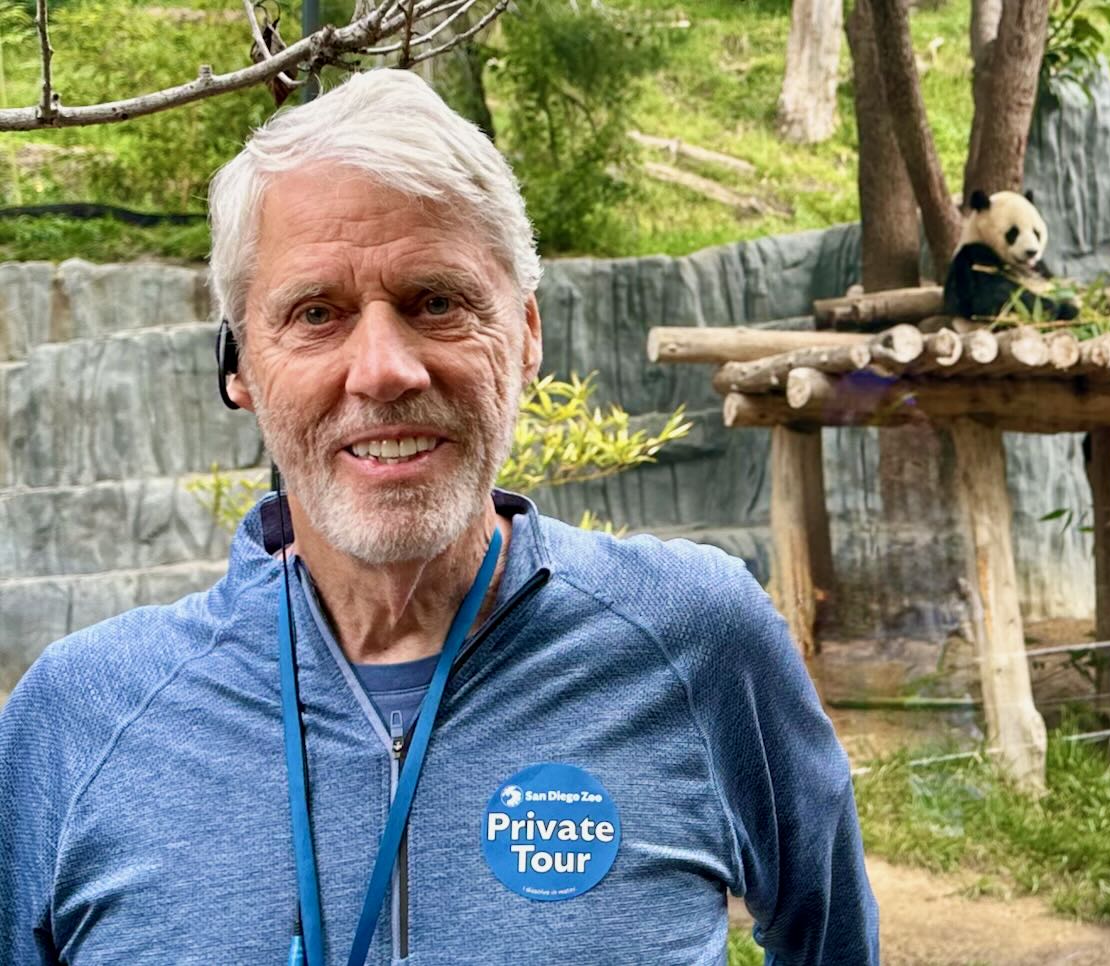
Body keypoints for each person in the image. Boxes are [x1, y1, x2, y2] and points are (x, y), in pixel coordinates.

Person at [0, 69, 878, 964]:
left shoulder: (698, 644)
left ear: (527, 333)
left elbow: (831, 938)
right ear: (240, 367)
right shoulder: (79, 720)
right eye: (316, 313)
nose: (384, 370)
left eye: (437, 303)